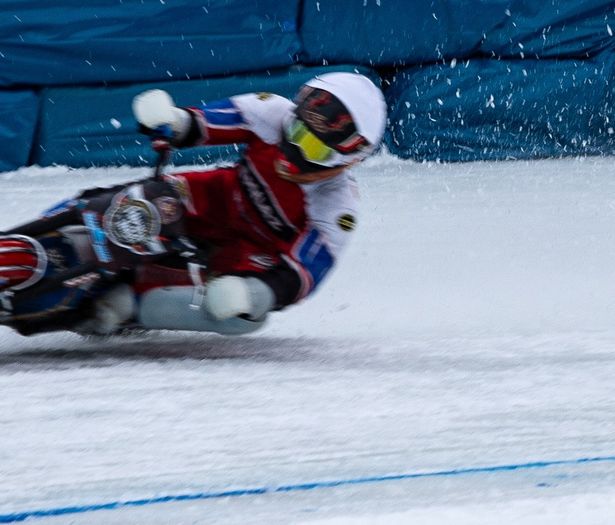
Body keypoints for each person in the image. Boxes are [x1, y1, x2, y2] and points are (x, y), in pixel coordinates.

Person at [21, 70, 384, 338]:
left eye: (316, 148)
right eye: (298, 131)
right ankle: (36, 233)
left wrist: (256, 294)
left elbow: (303, 275)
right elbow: (202, 123)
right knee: (132, 195)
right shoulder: (272, 111)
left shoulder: (338, 208)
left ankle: (131, 305)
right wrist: (171, 121)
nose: (295, 151)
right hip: (217, 198)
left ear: (348, 159)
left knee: (240, 316)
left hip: (251, 252)